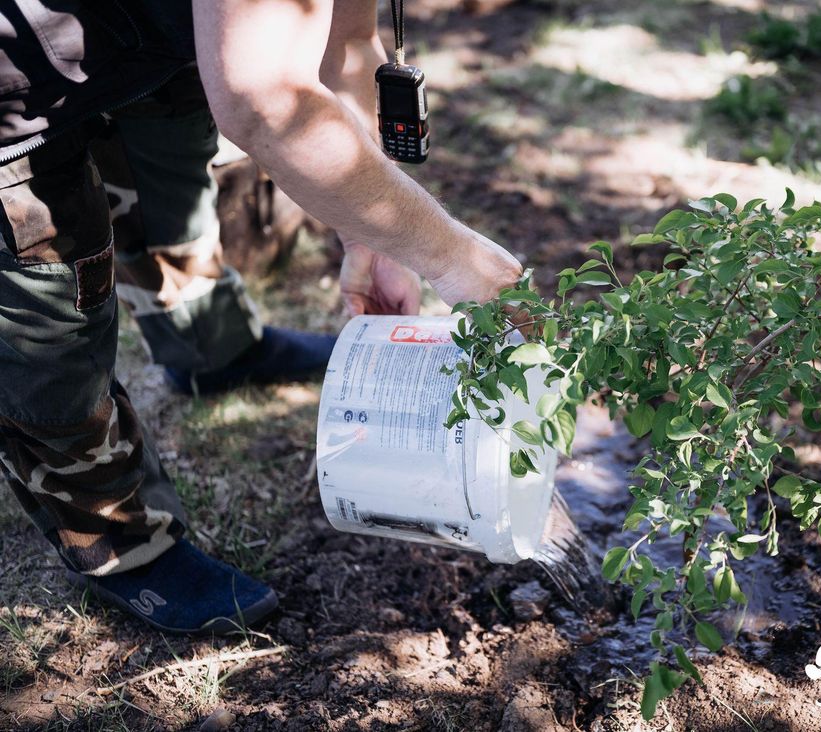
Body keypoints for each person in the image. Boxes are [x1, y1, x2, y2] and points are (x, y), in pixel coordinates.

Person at [0, 0, 521, 634]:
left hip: (132, 33)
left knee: (165, 166)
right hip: (13, 86)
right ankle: (118, 545)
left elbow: (345, 46)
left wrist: (373, 240)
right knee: (49, 314)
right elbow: (266, 101)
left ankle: (211, 348)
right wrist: (454, 258)